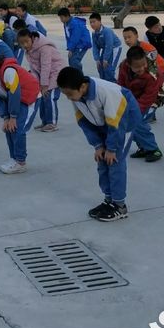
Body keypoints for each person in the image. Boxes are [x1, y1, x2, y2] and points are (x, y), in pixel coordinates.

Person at [57, 66, 153, 222]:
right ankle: (109, 200)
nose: (68, 98)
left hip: (124, 122)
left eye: (69, 94)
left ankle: (120, 206)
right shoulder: (77, 97)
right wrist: (98, 146)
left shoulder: (106, 92)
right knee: (102, 160)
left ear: (82, 86)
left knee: (114, 161)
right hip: (103, 124)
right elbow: (84, 123)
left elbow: (116, 124)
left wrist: (112, 148)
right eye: (65, 94)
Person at [117, 47, 164, 162]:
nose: (142, 68)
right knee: (125, 123)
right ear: (129, 64)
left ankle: (153, 149)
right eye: (137, 67)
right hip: (133, 97)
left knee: (136, 122)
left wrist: (133, 111)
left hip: (154, 99)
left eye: (143, 64)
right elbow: (121, 86)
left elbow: (149, 96)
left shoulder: (153, 73)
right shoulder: (123, 66)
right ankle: (143, 147)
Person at [17, 28, 64, 132]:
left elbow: (46, 66)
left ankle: (52, 123)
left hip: (56, 73)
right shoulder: (28, 51)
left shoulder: (44, 48)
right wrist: (36, 83)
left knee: (50, 97)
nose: (24, 45)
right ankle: (45, 122)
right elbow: (34, 68)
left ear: (32, 38)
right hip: (45, 75)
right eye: (21, 43)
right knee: (42, 97)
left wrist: (44, 85)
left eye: (26, 41)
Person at [122, 27, 164, 121]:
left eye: (129, 37)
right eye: (125, 38)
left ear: (137, 36)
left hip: (159, 70)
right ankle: (149, 114)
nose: (127, 40)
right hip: (150, 72)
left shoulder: (146, 47)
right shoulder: (133, 51)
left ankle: (149, 114)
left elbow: (153, 63)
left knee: (155, 91)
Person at [89, 12, 122, 82]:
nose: (92, 24)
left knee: (108, 68)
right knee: (100, 67)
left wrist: (105, 59)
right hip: (106, 48)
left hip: (114, 48)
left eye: (94, 22)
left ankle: (113, 84)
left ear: (100, 22)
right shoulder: (94, 33)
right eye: (90, 22)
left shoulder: (107, 31)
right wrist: (97, 59)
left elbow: (109, 45)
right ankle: (104, 83)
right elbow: (95, 47)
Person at [57, 7, 92, 72]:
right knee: (71, 60)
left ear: (67, 16)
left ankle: (79, 78)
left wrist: (71, 49)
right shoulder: (66, 23)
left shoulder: (74, 24)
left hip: (82, 43)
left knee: (74, 61)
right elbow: (68, 36)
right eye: (60, 18)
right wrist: (69, 47)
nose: (61, 20)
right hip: (76, 44)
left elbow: (75, 37)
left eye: (62, 18)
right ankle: (75, 76)